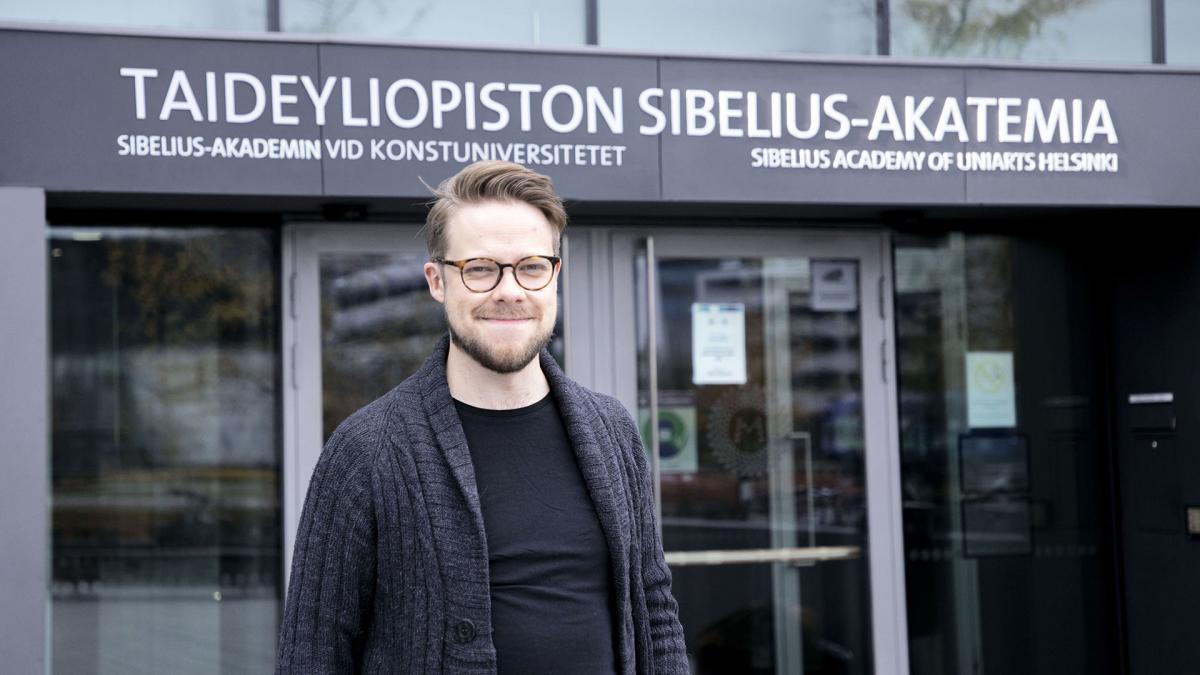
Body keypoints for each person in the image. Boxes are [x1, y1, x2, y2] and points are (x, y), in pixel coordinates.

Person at [275, 160, 689, 674]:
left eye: (531, 267)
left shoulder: (612, 429)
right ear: (437, 281)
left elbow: (653, 608)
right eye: (480, 268)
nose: (509, 291)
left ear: (555, 276)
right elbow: (312, 653)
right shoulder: (366, 449)